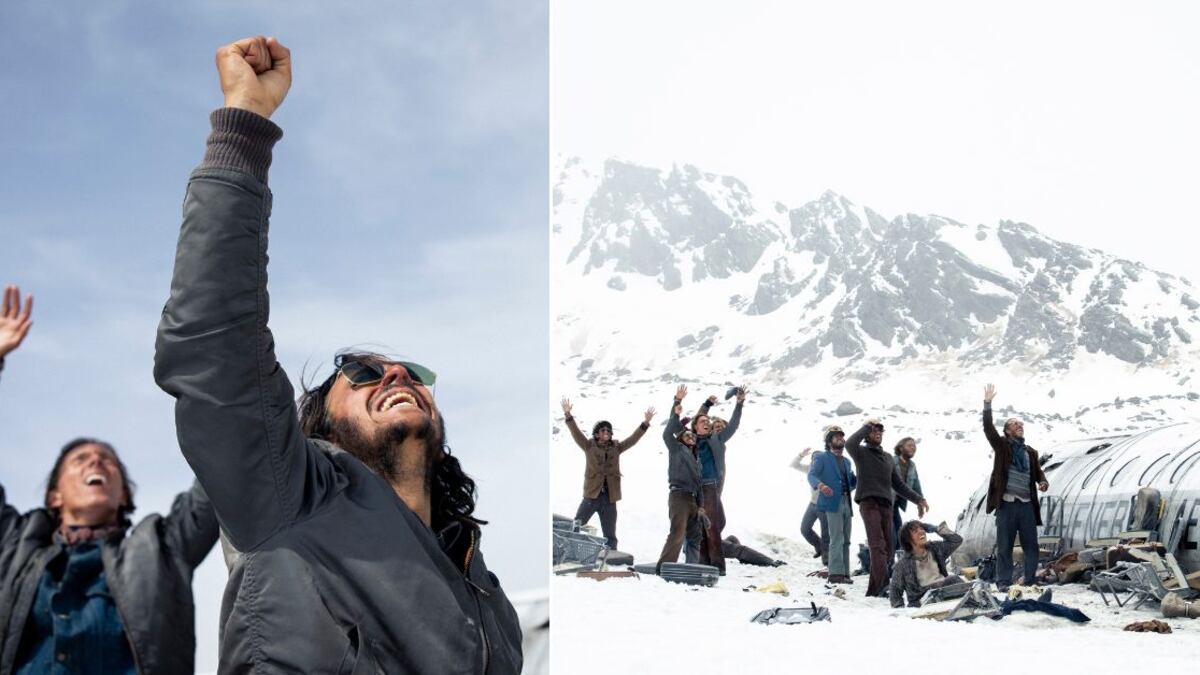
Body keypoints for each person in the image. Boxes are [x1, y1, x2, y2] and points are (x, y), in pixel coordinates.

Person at [152, 37, 521, 673]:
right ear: (318, 427)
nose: (397, 373)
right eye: (363, 373)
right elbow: (215, 345)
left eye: (410, 372)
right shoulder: (290, 499)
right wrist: (245, 125)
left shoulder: (486, 589)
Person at [0, 285, 220, 674]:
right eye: (80, 460)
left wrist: (213, 378)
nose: (96, 463)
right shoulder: (13, 546)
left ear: (124, 496)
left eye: (108, 461)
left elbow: (221, 473)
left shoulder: (162, 549)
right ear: (53, 495)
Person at [845, 418, 928, 597]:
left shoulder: (888, 458)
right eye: (874, 431)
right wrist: (867, 426)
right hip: (869, 502)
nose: (878, 433)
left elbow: (899, 485)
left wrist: (919, 499)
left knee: (889, 548)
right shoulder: (861, 452)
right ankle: (884, 586)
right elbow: (850, 443)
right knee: (877, 545)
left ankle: (875, 589)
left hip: (886, 505)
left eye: (880, 431)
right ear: (867, 435)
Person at [560, 398, 654, 550]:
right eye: (603, 430)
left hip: (610, 498)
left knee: (610, 534)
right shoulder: (588, 446)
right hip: (591, 496)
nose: (607, 432)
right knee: (576, 525)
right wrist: (568, 415)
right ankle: (566, 550)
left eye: (609, 430)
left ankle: (611, 557)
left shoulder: (617, 448)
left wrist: (645, 424)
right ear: (596, 434)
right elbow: (575, 432)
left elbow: (633, 439)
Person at [982, 384, 1049, 590]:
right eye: (1014, 424)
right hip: (1007, 504)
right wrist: (987, 404)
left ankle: (1029, 580)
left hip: (1026, 505)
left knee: (1031, 546)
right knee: (1005, 547)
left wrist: (1043, 481)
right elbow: (988, 429)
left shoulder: (1030, 452)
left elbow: (1037, 472)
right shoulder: (1002, 446)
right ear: (1007, 431)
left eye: (1020, 423)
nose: (1019, 425)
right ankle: (1003, 582)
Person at [691, 387, 746, 574]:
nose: (706, 423)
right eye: (703, 422)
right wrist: (706, 405)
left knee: (714, 525)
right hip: (694, 488)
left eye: (709, 422)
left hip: (710, 486)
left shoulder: (716, 439)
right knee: (703, 526)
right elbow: (696, 419)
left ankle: (716, 565)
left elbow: (733, 425)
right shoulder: (690, 440)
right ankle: (705, 561)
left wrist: (739, 404)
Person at [656, 385, 704, 572]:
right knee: (677, 533)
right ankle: (664, 567)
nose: (691, 437)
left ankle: (691, 567)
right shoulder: (676, 450)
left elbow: (699, 484)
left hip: (693, 499)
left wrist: (700, 505)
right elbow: (668, 432)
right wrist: (677, 403)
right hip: (679, 496)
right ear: (681, 439)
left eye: (693, 435)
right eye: (687, 435)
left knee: (694, 536)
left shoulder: (696, 458)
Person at [808, 426, 856, 584]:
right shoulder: (822, 458)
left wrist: (859, 478)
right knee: (837, 538)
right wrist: (821, 486)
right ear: (829, 441)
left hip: (846, 502)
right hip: (831, 503)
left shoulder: (847, 461)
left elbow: (851, 483)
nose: (840, 439)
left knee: (847, 539)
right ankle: (835, 574)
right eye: (836, 437)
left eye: (842, 436)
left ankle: (845, 573)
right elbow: (811, 475)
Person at [889, 520, 965, 607]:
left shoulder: (935, 548)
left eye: (922, 528)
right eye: (915, 531)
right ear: (907, 539)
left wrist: (937, 529)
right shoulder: (902, 564)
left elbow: (956, 540)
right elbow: (895, 590)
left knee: (954, 579)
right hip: (923, 601)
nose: (921, 531)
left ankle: (972, 602)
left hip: (944, 591)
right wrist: (901, 609)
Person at [792, 446, 828, 562]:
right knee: (805, 529)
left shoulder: (828, 471)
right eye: (813, 459)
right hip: (812, 504)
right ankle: (819, 547)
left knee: (826, 534)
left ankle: (827, 559)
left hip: (825, 506)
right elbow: (794, 465)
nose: (815, 461)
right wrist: (801, 455)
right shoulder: (810, 469)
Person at [892, 437, 923, 548]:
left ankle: (894, 561)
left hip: (895, 505)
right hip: (885, 502)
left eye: (914, 446)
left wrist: (921, 502)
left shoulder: (912, 466)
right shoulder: (891, 460)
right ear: (901, 448)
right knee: (890, 534)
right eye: (909, 445)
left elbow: (916, 485)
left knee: (899, 533)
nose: (913, 447)